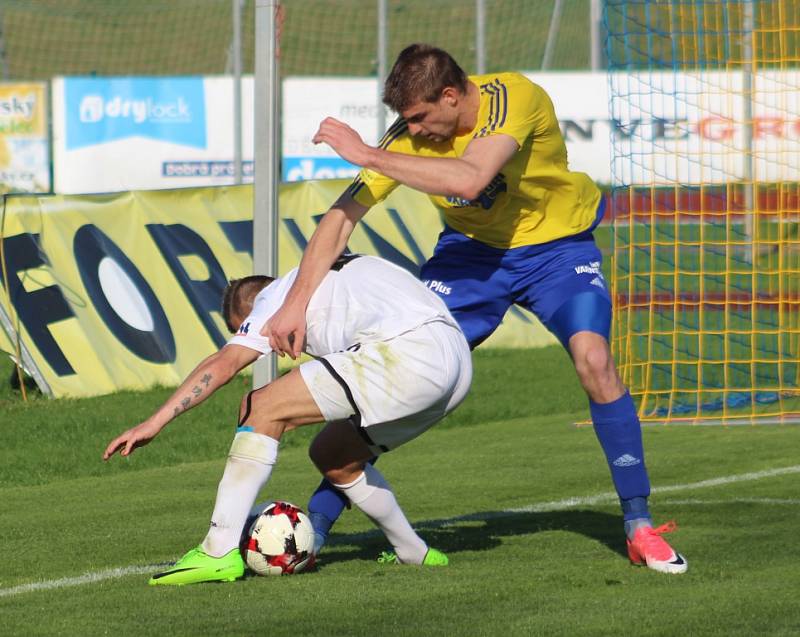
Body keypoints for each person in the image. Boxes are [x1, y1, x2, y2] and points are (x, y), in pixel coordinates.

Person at [264, 44, 687, 574]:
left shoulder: (514, 97)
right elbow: (341, 218)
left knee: (594, 360)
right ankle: (315, 528)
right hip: (469, 259)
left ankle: (639, 525)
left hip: (558, 250)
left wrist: (367, 152)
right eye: (405, 121)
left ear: (450, 95)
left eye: (419, 118)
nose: (413, 131)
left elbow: (469, 178)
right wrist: (296, 305)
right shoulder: (410, 133)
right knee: (399, 372)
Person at [103, 253, 472, 585]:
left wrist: (155, 421)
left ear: (251, 311)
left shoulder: (272, 299)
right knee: (334, 455)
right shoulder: (333, 273)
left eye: (244, 330)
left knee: (260, 407)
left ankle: (217, 550)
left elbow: (225, 364)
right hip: (456, 363)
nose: (263, 344)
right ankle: (413, 551)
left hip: (407, 354)